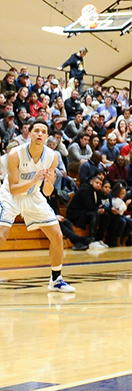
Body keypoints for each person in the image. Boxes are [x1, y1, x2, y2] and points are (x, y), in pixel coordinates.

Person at [0, 119, 76, 291]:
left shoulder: (52, 156)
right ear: (30, 134)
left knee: (56, 235)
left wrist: (49, 182)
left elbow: (48, 192)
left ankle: (56, 279)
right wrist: (35, 180)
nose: (40, 134)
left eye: (43, 131)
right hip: (10, 196)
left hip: (33, 195)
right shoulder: (15, 154)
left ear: (47, 136)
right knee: (1, 235)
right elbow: (13, 189)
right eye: (36, 131)